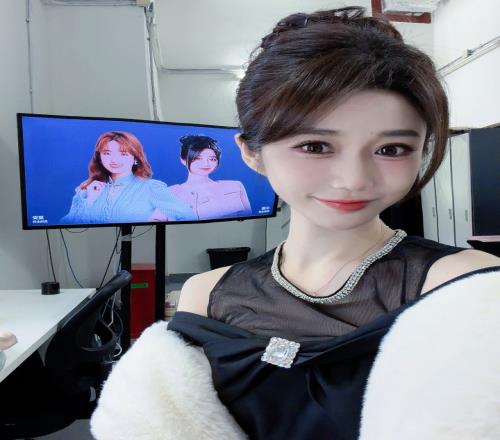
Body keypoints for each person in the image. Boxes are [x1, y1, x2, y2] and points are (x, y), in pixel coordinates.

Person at [90, 7, 500, 440]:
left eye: (392, 149)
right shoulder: (206, 295)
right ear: (251, 152)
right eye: (316, 146)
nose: (354, 179)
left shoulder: (467, 286)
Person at [61, 131, 196, 224]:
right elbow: (66, 224)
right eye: (107, 153)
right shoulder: (88, 188)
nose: (114, 159)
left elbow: (187, 215)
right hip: (93, 248)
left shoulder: (150, 187)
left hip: (139, 246)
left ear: (135, 158)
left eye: (123, 154)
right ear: (99, 157)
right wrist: (89, 200)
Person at [169, 134, 252, 220]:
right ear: (183, 160)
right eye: (198, 158)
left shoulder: (235, 186)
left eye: (212, 159)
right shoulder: (172, 192)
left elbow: (248, 218)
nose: (206, 164)